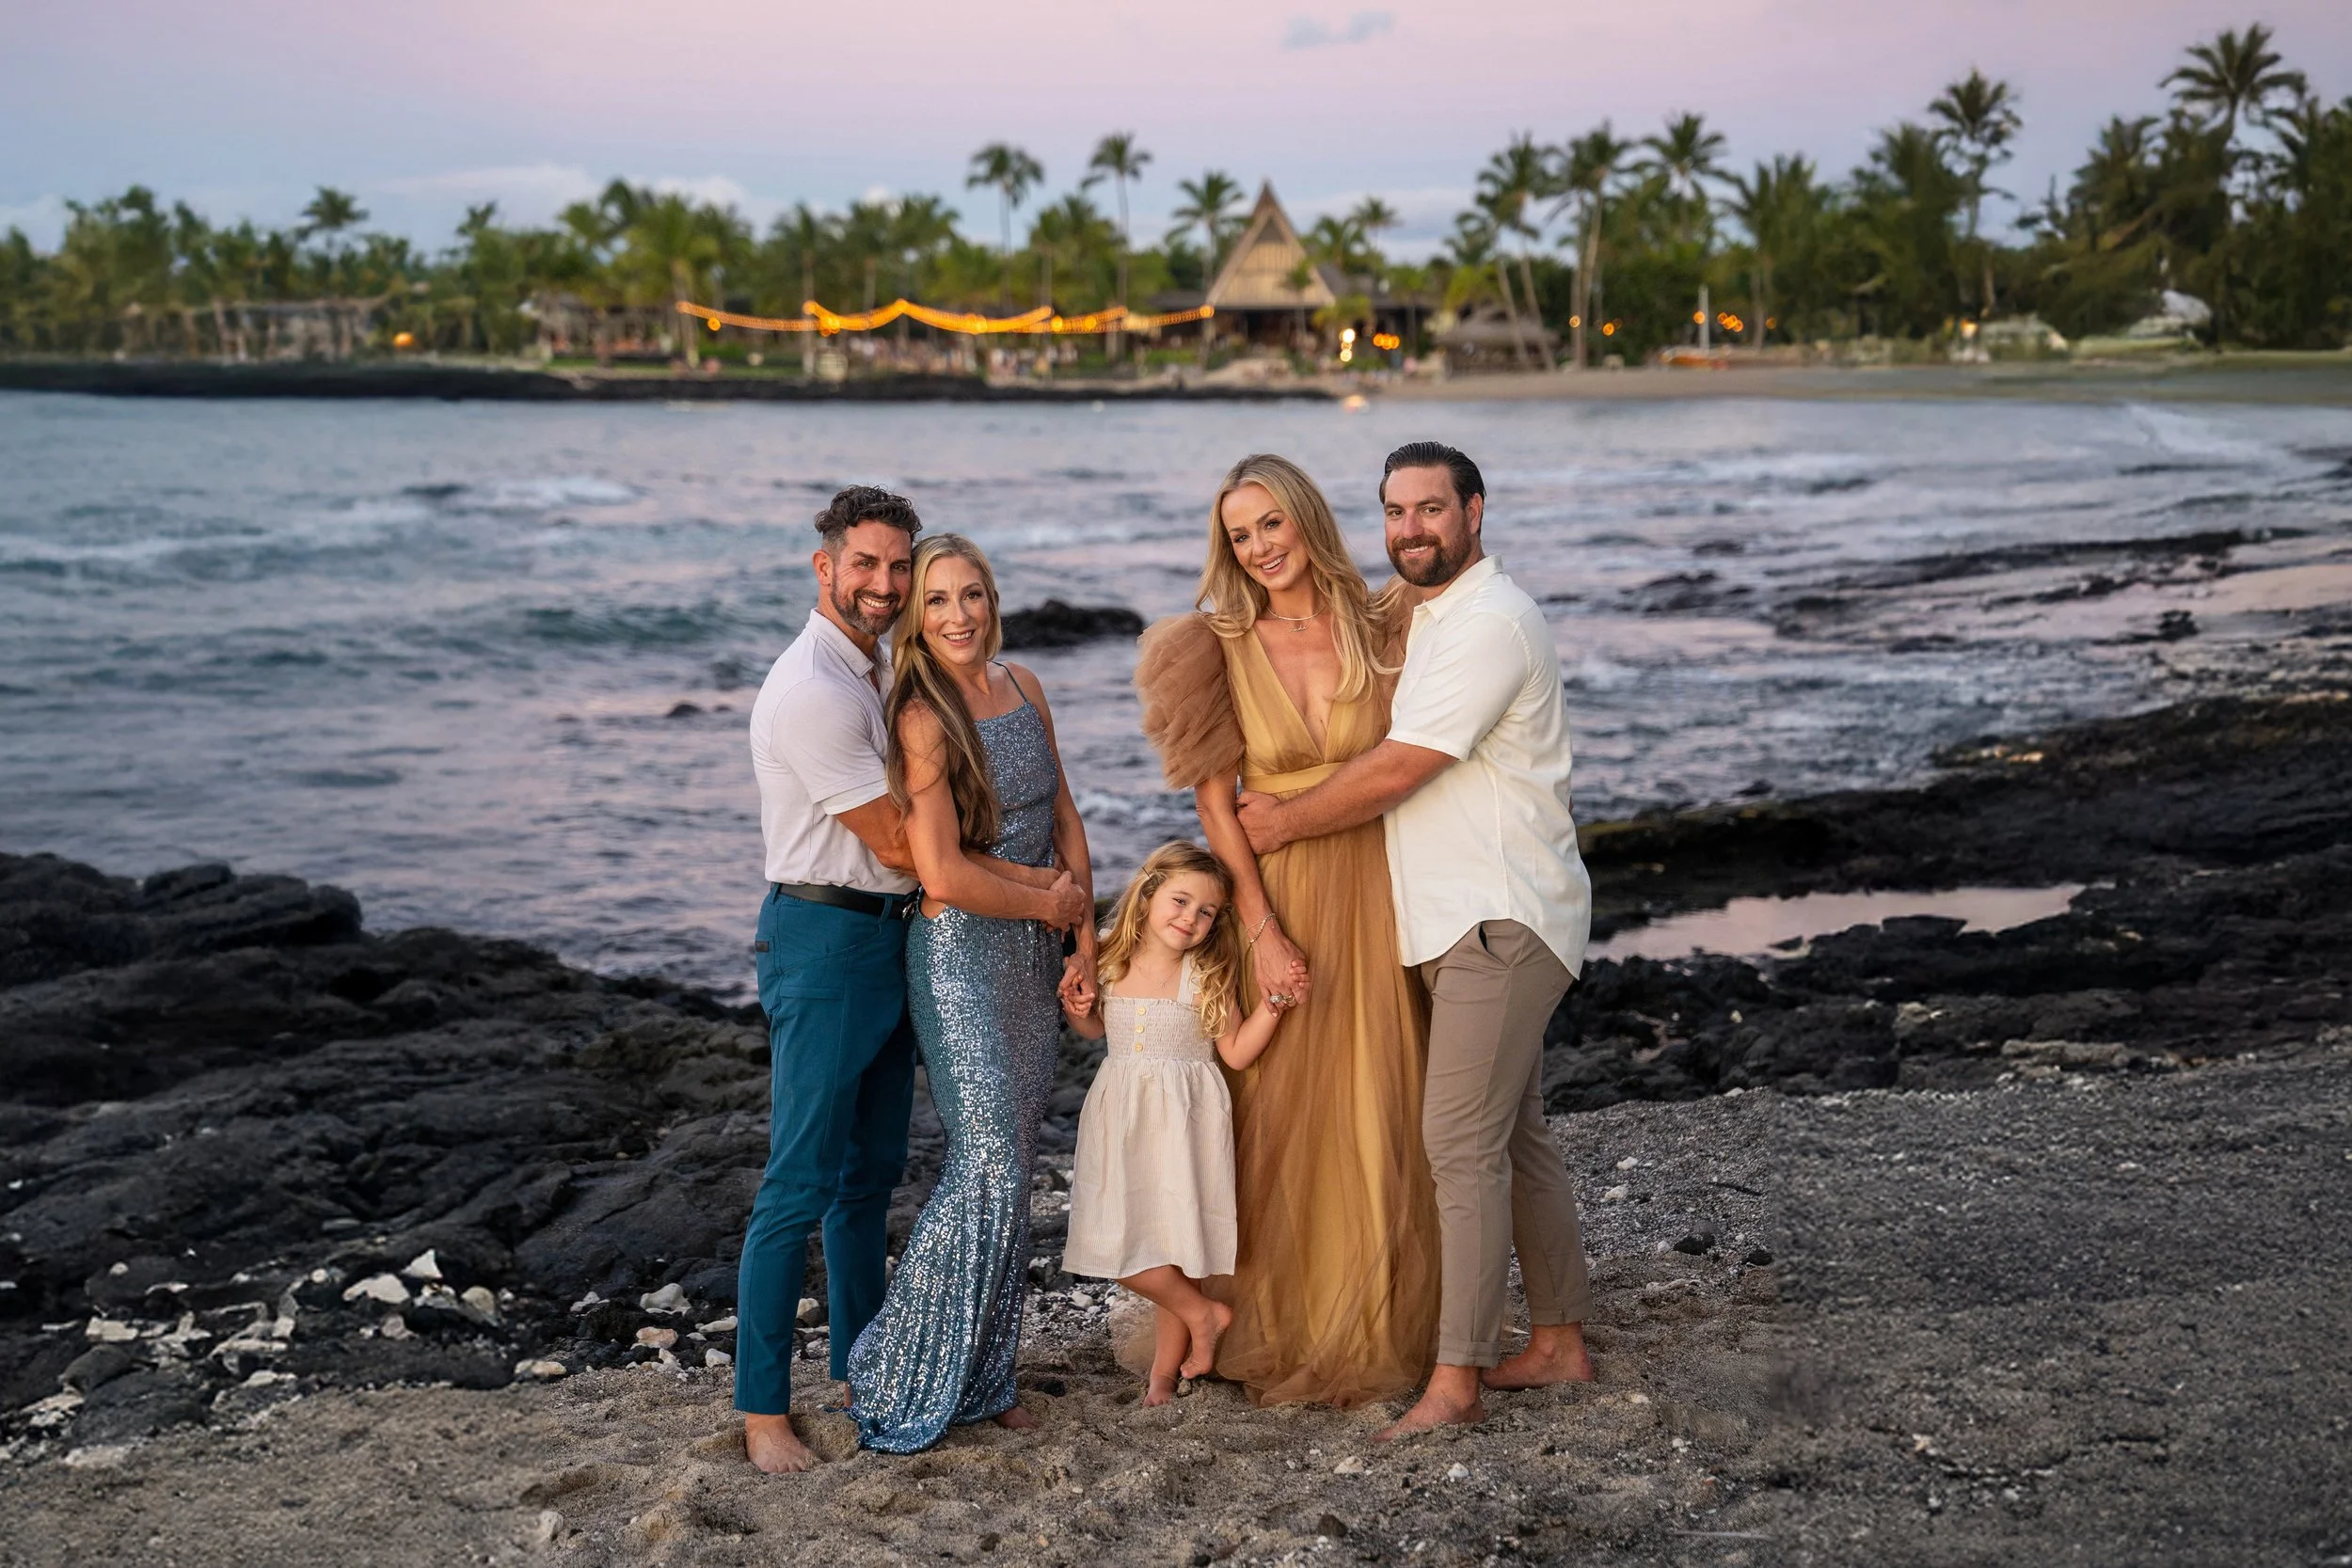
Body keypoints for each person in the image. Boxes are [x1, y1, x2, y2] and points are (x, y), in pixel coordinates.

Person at [1236, 441, 1597, 1441]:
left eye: (1431, 509)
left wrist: (1281, 822)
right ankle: (1559, 1342)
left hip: (1499, 916)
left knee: (1458, 1144)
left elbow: (1400, 766)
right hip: (1459, 918)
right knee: (1515, 1133)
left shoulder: (1488, 622)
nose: (1410, 529)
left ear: (1474, 511)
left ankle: (1455, 1380)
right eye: (1395, 512)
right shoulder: (1428, 615)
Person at [739, 492, 1086, 1476]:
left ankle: (865, 1369)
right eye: (867, 565)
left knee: (868, 1177)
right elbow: (907, 846)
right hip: (825, 937)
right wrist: (1044, 889)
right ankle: (762, 1409)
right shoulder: (814, 691)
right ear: (825, 566)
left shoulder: (881, 673)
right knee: (798, 1182)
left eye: (900, 567)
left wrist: (1043, 896)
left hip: (893, 936)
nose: (884, 585)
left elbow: (944, 842)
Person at [1132, 452, 1441, 1407]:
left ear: (1306, 517)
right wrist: (1260, 928)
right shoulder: (1211, 646)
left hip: (1379, 883)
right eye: (1239, 535)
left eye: (1271, 523)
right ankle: (1262, 1320)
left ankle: (1371, 1326)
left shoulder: (1385, 623)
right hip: (1275, 890)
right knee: (1267, 1108)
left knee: (1375, 1101)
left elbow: (1417, 756)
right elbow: (1216, 808)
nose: (1260, 547)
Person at [847, 533, 1096, 1453]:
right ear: (917, 618)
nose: (959, 615)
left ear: (993, 598)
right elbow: (943, 873)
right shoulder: (922, 716)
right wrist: (1048, 902)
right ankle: (894, 1365)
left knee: (1017, 1164)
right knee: (985, 1158)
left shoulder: (1024, 686)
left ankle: (987, 1379)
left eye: (973, 594)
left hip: (1034, 953)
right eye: (939, 599)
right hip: (960, 957)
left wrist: (1084, 943)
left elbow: (1064, 816)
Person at [1060, 842, 1307, 1405]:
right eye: (1180, 900)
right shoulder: (1108, 956)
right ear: (1148, 894)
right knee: (1111, 1243)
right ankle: (1202, 1314)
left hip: (1186, 1124)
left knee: (1176, 1251)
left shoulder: (1206, 975)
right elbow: (1098, 1030)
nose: (1190, 918)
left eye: (1206, 911)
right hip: (1121, 1117)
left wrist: (1272, 1006)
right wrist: (1079, 1014)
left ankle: (1163, 1380)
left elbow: (1237, 1052)